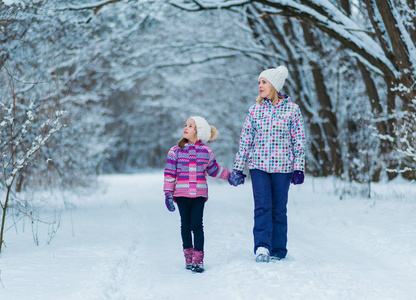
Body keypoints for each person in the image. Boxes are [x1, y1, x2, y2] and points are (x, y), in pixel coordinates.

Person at [228, 66, 306, 262]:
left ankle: (278, 249)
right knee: (262, 206)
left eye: (263, 82)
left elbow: (299, 141)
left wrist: (299, 167)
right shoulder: (255, 111)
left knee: (279, 208)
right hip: (258, 166)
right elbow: (245, 139)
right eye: (259, 82)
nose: (260, 86)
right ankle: (262, 246)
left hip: (283, 167)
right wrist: (238, 167)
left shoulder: (292, 110)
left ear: (274, 85)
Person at [163, 116, 237, 273]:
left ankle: (198, 259)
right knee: (185, 225)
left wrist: (229, 176)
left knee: (197, 225)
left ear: (199, 132)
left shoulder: (206, 151)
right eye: (186, 125)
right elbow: (169, 174)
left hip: (199, 195)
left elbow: (214, 169)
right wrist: (168, 193)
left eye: (191, 126)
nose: (186, 128)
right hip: (181, 194)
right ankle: (188, 257)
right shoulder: (175, 151)